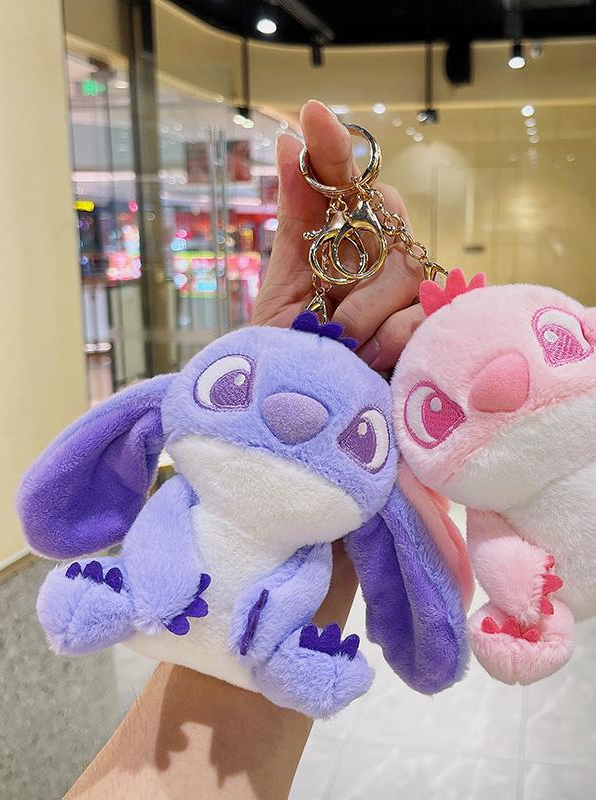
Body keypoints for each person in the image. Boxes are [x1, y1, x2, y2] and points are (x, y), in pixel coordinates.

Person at [63, 100, 426, 799]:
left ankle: (274, 651)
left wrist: (360, 486)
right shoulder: (192, 474)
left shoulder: (317, 516)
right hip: (175, 600)